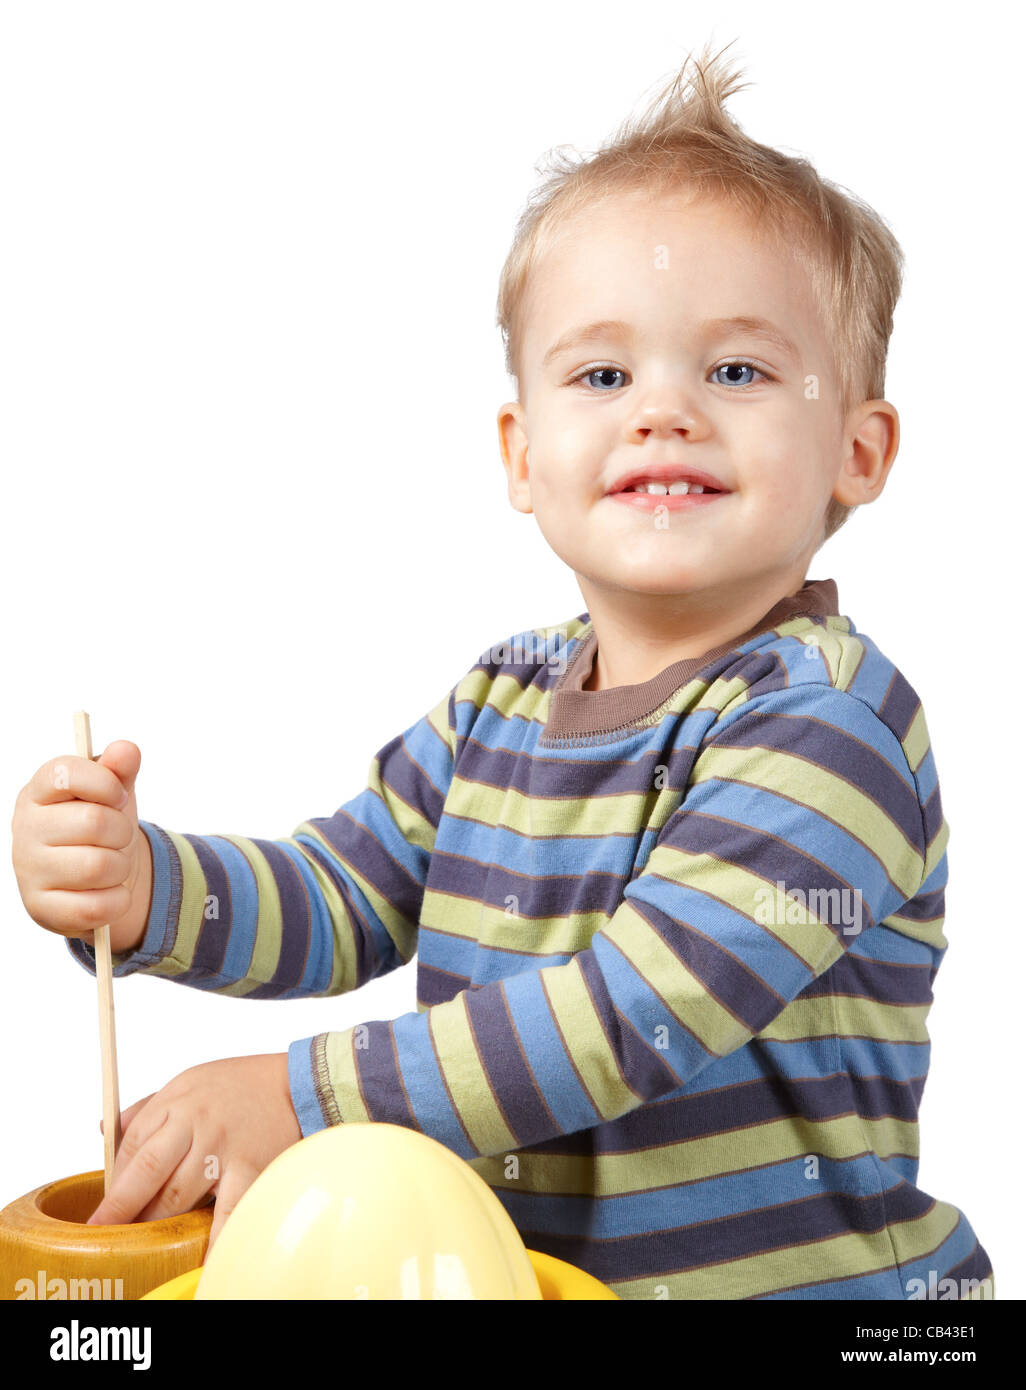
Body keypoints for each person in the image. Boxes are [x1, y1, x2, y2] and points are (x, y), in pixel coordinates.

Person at [10, 39, 993, 1300]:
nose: (663, 410)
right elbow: (342, 890)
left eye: (736, 369)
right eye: (602, 372)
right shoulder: (502, 699)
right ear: (522, 455)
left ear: (859, 450)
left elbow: (630, 1012)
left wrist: (300, 1100)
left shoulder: (826, 725)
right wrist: (148, 889)